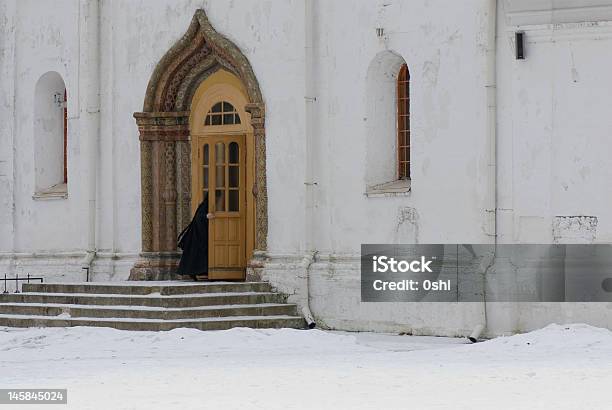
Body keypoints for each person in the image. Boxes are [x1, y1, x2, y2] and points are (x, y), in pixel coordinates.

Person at [177, 194, 213, 280]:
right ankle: (195, 272)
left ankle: (201, 272)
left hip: (200, 233)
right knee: (195, 253)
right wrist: (206, 216)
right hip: (197, 234)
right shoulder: (205, 205)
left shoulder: (207, 205)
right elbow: (198, 217)